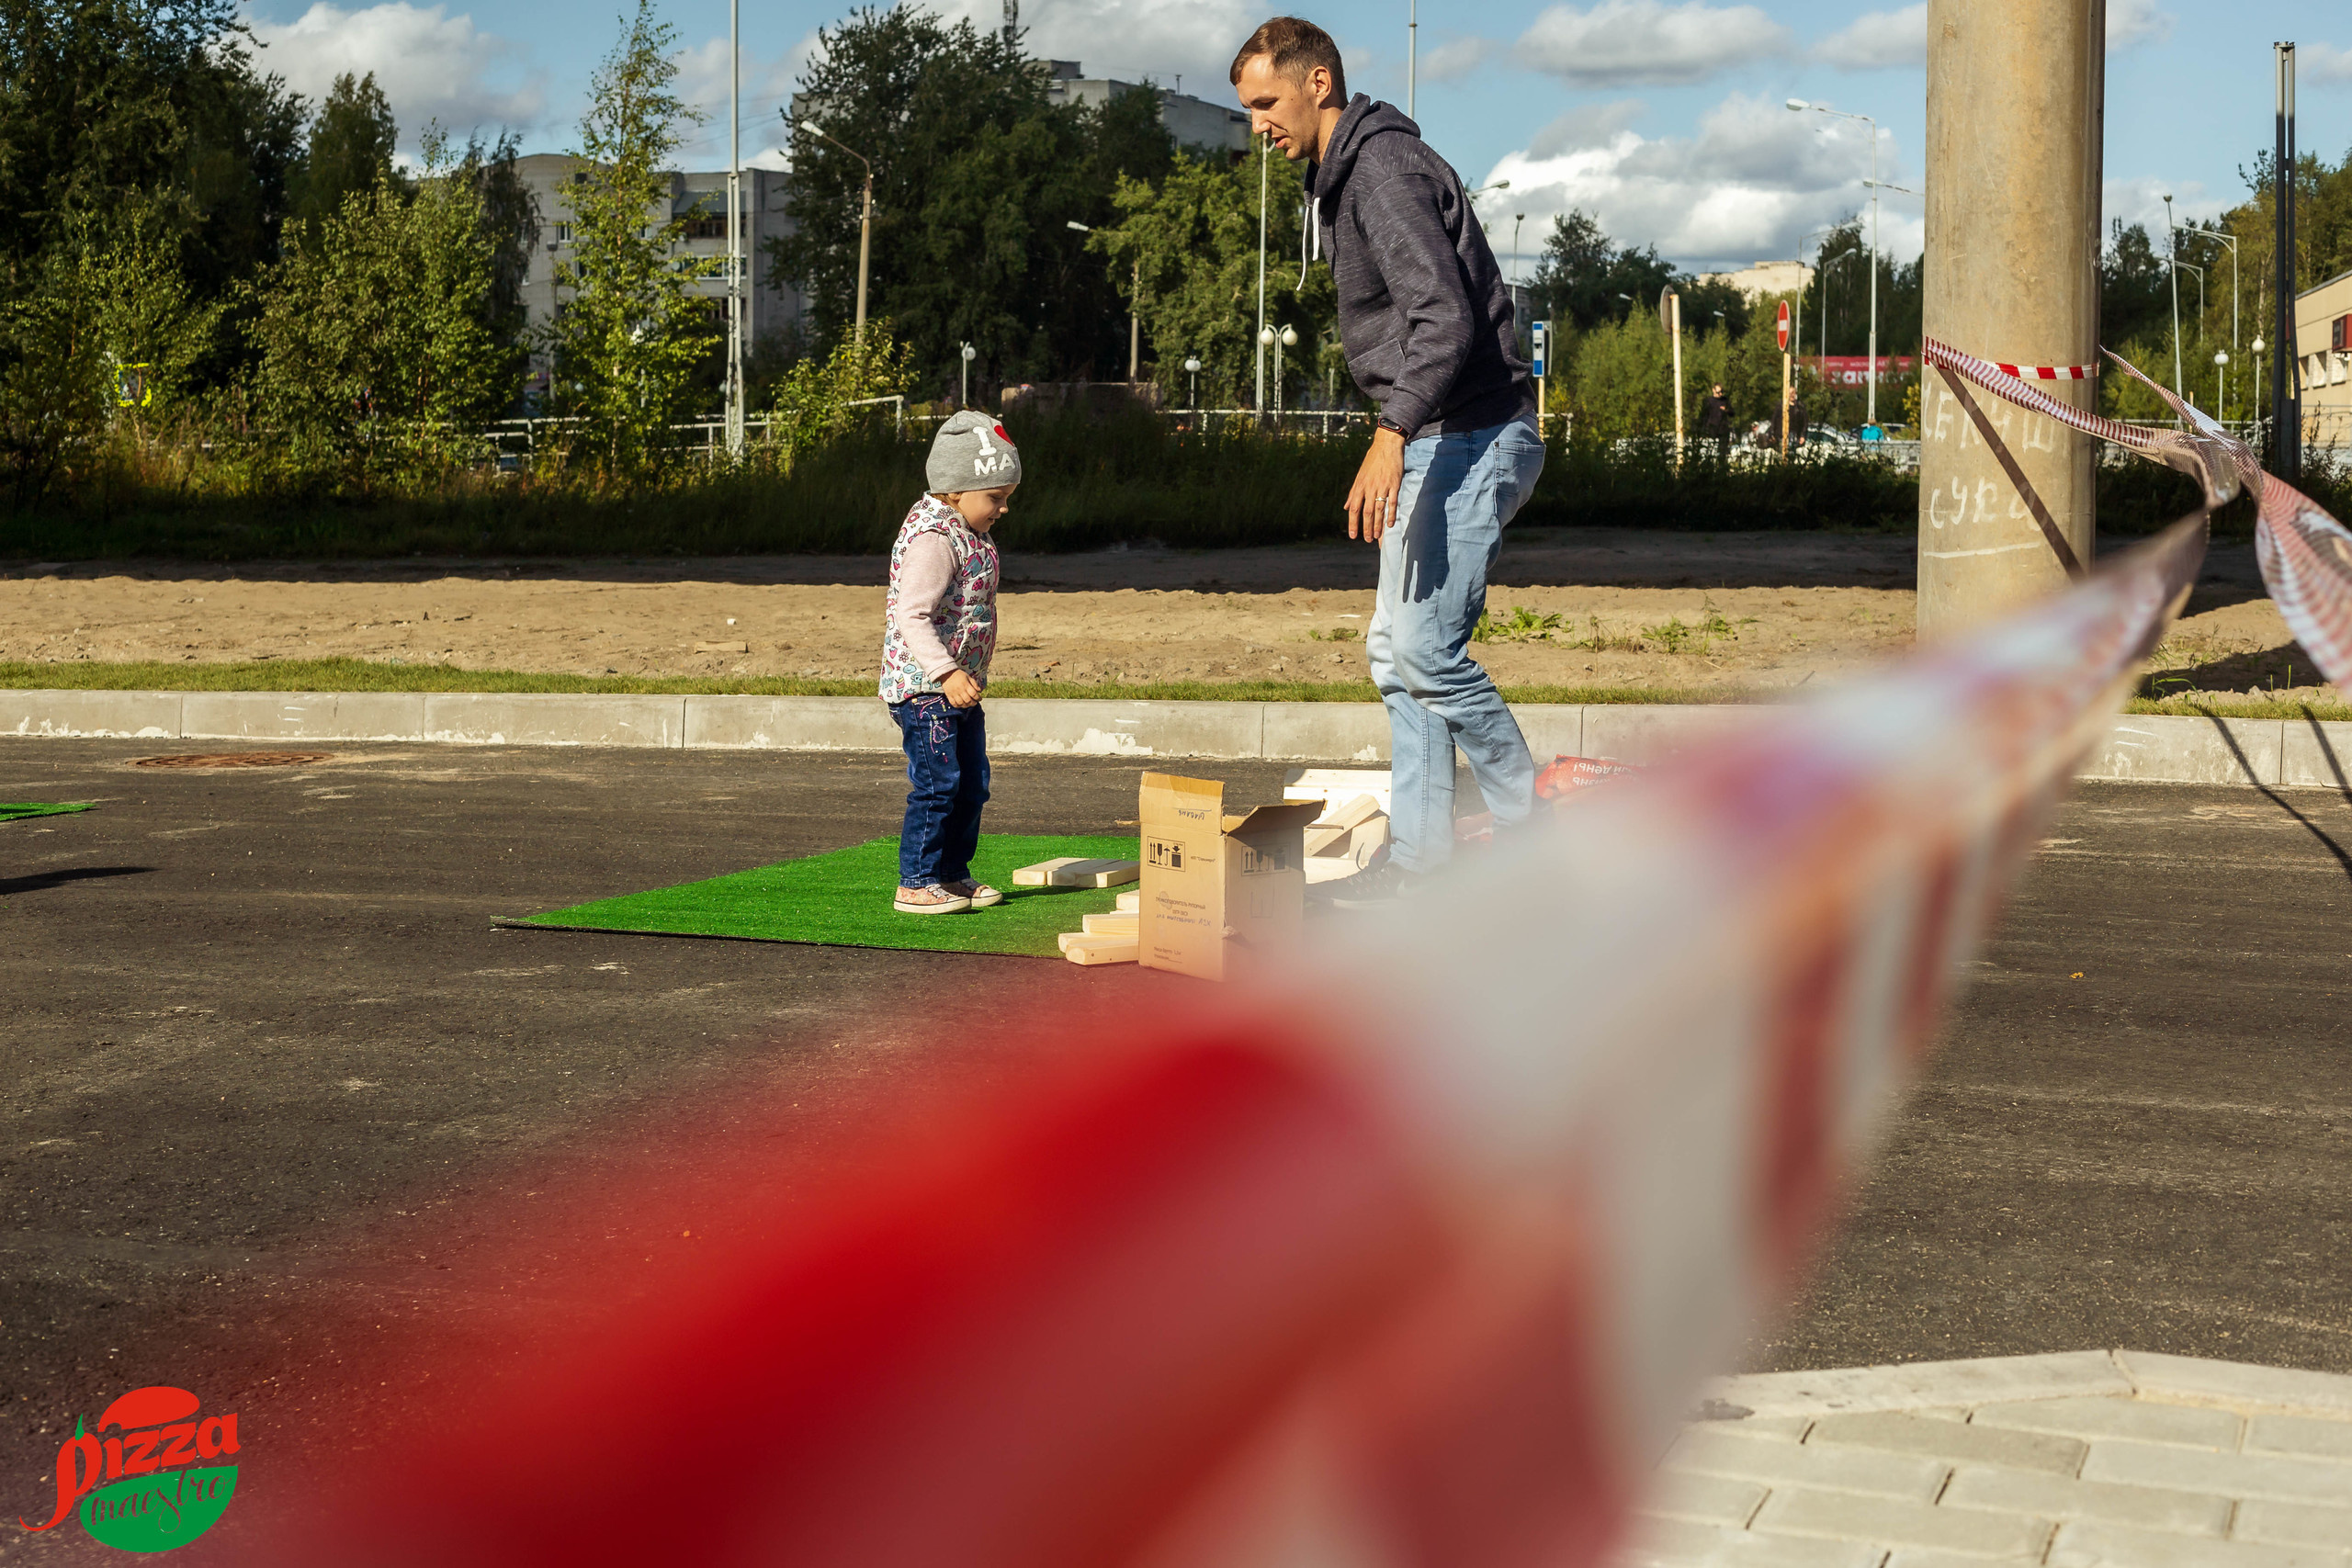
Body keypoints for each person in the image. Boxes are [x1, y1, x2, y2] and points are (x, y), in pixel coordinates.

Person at [1233, 17, 1544, 905]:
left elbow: (1442, 318)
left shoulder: (1382, 170)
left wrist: (1390, 432)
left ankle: (1533, 845)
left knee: (1425, 649)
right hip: (1443, 432)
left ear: (1318, 82)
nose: (1258, 124)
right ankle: (1419, 863)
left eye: (1266, 102)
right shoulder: (1344, 177)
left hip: (1474, 433)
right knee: (1394, 654)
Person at [881, 411, 1019, 915]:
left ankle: (953, 875)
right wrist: (946, 672)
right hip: (926, 689)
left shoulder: (969, 530)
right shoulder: (935, 539)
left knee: (972, 784)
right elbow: (911, 616)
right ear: (956, 490)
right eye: (996, 498)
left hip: (960, 686)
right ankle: (915, 882)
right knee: (939, 784)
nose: (1002, 509)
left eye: (1006, 499)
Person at [1698, 382, 1733, 460]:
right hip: (1711, 429)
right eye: (1718, 392)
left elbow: (1732, 413)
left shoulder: (1725, 400)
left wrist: (1726, 410)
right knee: (1709, 451)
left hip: (1723, 430)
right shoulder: (1708, 401)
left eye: (1721, 392)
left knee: (1722, 452)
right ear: (1713, 390)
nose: (1720, 394)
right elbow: (1703, 416)